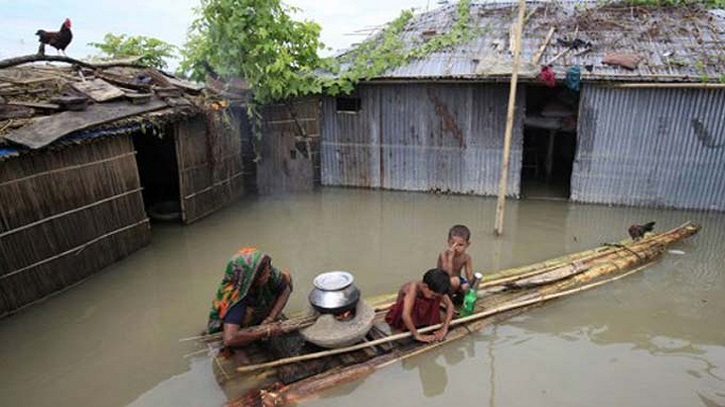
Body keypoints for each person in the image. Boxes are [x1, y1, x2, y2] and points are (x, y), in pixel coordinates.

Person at [206, 247, 292, 363]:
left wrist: (271, 318)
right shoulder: (236, 296)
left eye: (268, 269)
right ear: (252, 278)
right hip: (239, 325)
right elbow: (229, 339)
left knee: (286, 278)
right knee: (243, 357)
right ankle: (240, 346)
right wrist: (266, 331)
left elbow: (285, 290)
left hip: (261, 309)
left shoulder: (269, 272)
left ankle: (263, 318)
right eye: (264, 273)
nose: (269, 273)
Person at [385, 268, 454, 343]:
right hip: (402, 316)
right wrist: (417, 335)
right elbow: (405, 315)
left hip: (421, 315)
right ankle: (413, 327)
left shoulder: (435, 289)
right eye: (433, 295)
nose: (434, 297)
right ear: (425, 287)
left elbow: (450, 306)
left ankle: (423, 322)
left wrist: (444, 328)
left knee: (435, 300)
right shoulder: (412, 288)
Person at [437, 224, 473, 301]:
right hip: (442, 281)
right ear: (448, 242)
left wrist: (472, 286)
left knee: (466, 286)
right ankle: (446, 300)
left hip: (457, 281)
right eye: (452, 243)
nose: (456, 247)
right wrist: (450, 257)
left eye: (460, 245)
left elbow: (469, 275)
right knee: (454, 281)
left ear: (467, 245)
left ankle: (458, 297)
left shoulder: (466, 257)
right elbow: (447, 274)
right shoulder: (443, 255)